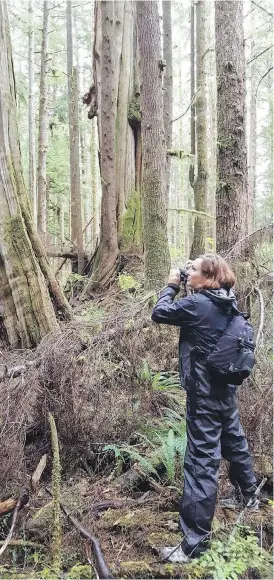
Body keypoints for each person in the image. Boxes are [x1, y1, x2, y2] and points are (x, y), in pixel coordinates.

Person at [151, 254, 258, 563]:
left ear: (208, 278)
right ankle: (249, 495)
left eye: (193, 269)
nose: (188, 271)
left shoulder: (196, 304)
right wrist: (188, 284)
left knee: (200, 463)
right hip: (225, 388)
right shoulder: (228, 301)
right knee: (234, 440)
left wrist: (172, 285)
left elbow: (160, 313)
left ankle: (193, 544)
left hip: (203, 394)